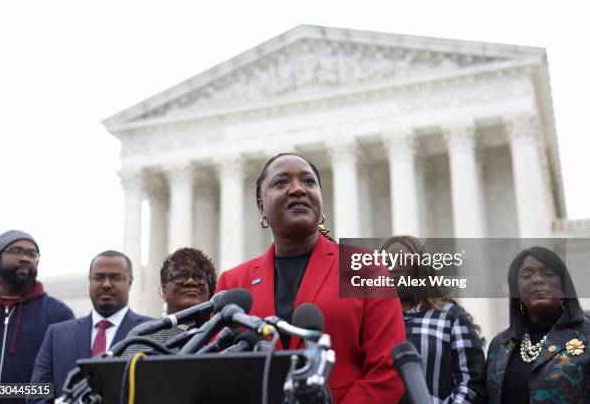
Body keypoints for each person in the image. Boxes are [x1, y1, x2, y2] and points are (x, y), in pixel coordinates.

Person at [216, 153, 406, 404]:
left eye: (308, 181)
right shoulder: (233, 283)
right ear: (261, 205)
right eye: (281, 182)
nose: (297, 189)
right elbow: (217, 373)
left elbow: (388, 368)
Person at [29, 250, 152, 402]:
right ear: (90, 280)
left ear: (130, 282)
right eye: (99, 277)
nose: (106, 284)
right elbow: (37, 394)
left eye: (115, 277)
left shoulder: (152, 332)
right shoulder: (57, 334)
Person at [380, 236, 486, 403]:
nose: (395, 267)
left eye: (404, 260)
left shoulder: (451, 316)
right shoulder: (370, 319)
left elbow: (471, 385)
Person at [0, 230, 74, 403]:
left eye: (32, 254)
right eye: (16, 251)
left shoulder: (59, 314)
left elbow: (65, 379)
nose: (25, 258)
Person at [486, 246, 589, 403]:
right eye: (527, 275)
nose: (537, 280)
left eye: (548, 274)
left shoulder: (586, 334)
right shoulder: (499, 345)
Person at [122, 247, 218, 356]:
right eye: (180, 276)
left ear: (210, 289)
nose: (191, 281)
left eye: (199, 277)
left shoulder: (222, 333)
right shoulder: (142, 335)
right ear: (164, 290)